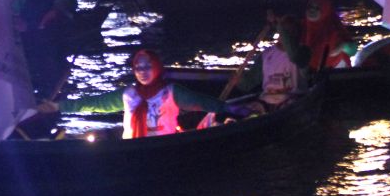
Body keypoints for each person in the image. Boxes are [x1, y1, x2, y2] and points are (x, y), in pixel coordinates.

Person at [38, 49, 240, 138]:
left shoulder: (170, 92)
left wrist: (229, 107)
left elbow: (201, 102)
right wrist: (58, 106)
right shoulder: (128, 94)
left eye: (147, 66)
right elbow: (96, 103)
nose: (142, 71)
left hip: (165, 147)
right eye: (138, 67)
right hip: (133, 146)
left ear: (157, 67)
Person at [301, 0, 356, 69]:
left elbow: (353, 50)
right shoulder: (303, 26)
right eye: (310, 7)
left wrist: (342, 47)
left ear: (324, 10)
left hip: (337, 71)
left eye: (317, 8)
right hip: (310, 73)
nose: (312, 10)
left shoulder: (334, 27)